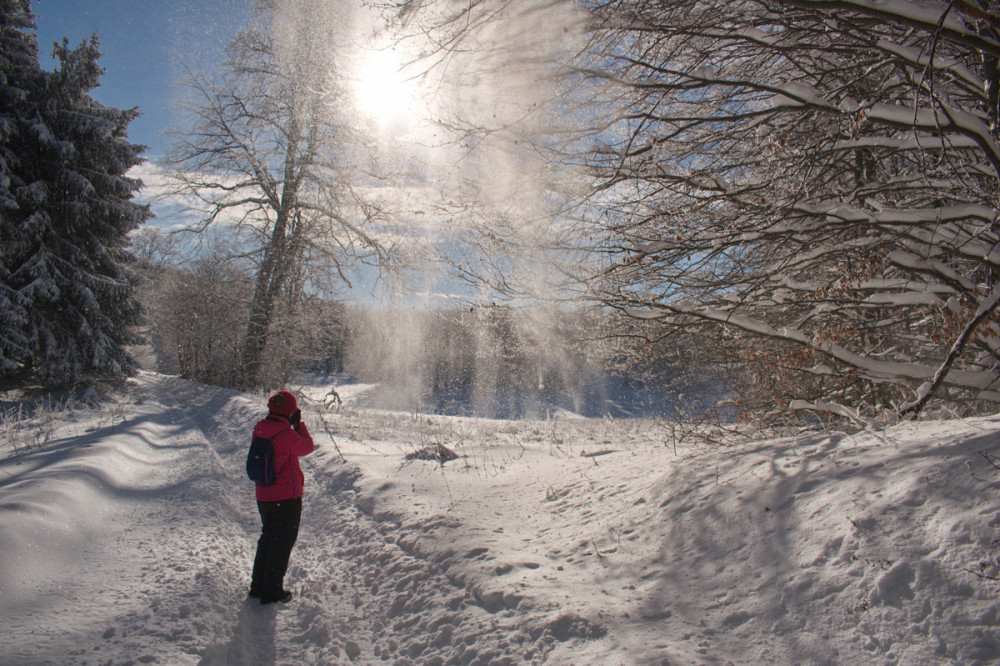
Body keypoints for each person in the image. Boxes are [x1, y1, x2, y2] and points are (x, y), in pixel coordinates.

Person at [248, 390, 315, 605]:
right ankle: (272, 591)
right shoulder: (285, 434)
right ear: (290, 412)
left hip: (264, 495)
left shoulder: (260, 427)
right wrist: (299, 425)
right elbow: (307, 447)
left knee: (267, 538)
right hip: (285, 497)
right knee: (282, 542)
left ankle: (257, 586)